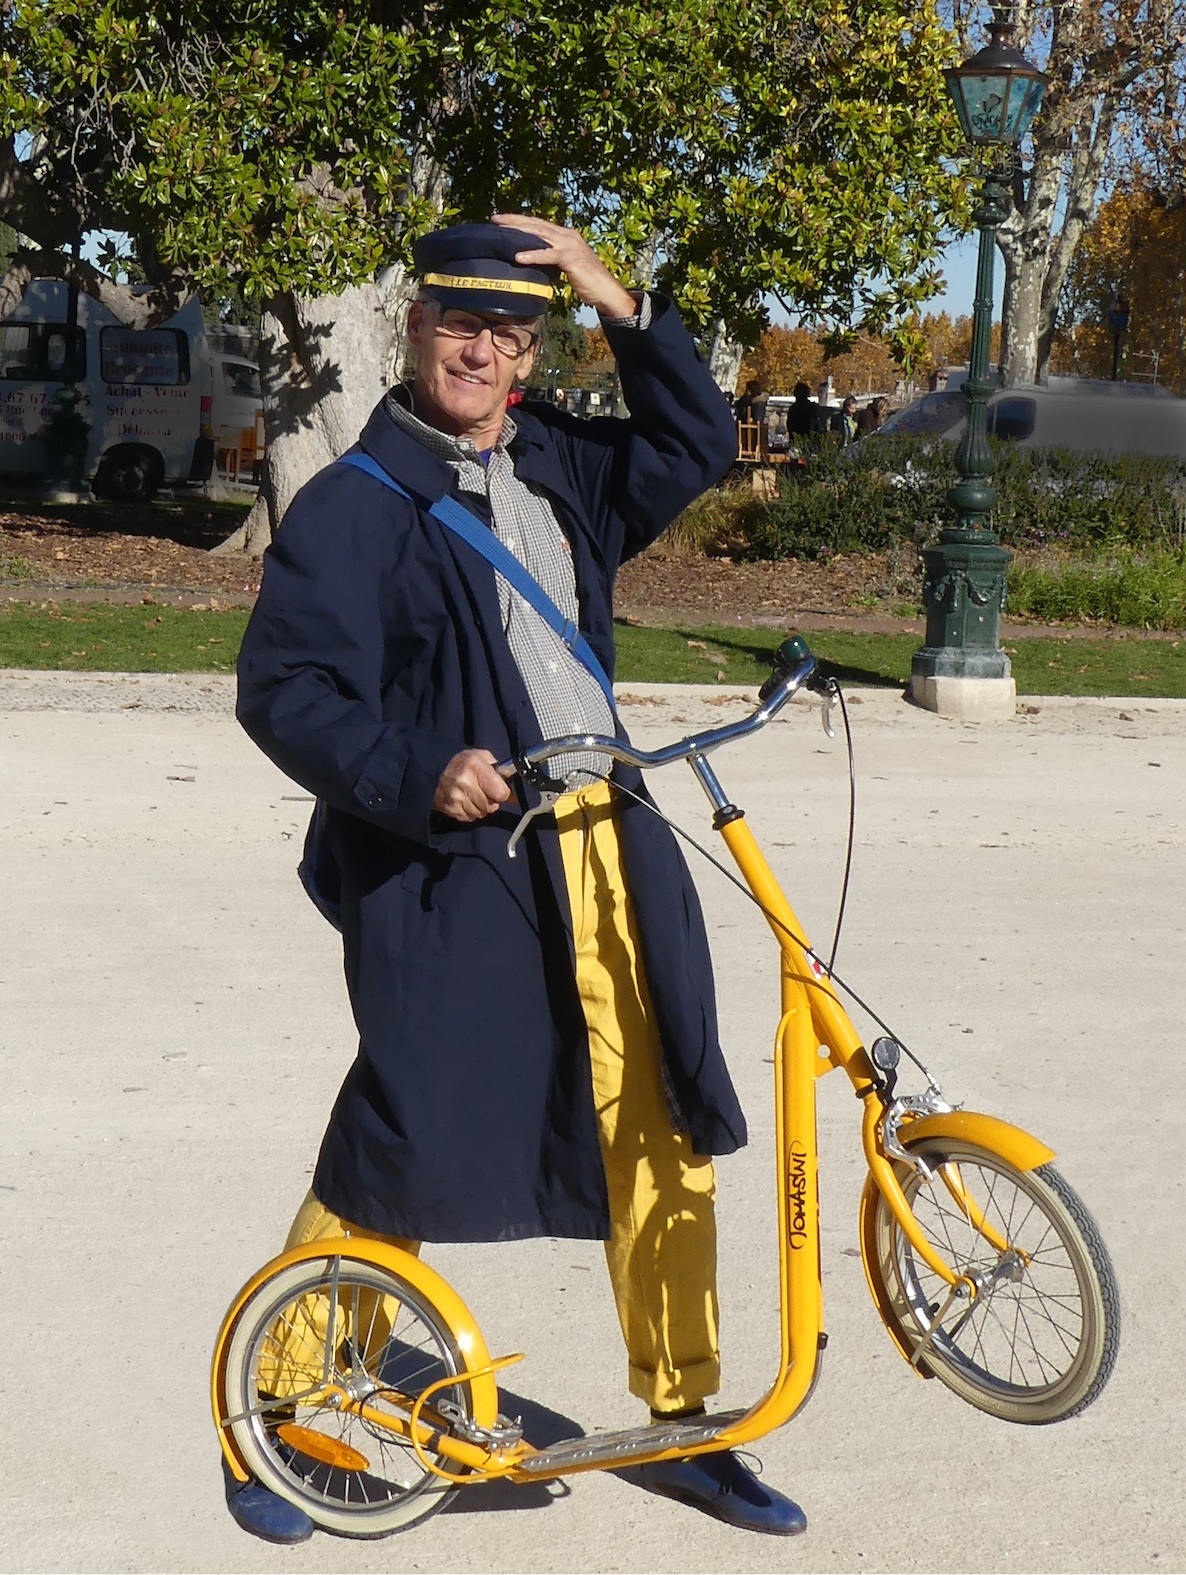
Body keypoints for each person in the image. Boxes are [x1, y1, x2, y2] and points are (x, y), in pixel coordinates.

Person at [230, 217, 808, 1543]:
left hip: (607, 837)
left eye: (510, 331)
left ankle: (687, 1423)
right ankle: (279, 1406)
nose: (482, 349)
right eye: (459, 324)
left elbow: (692, 444)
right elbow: (287, 692)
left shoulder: (560, 461)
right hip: (453, 865)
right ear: (414, 327)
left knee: (660, 1115)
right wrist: (419, 770)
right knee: (406, 1125)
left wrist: (617, 296)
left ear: (533, 348)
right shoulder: (356, 506)